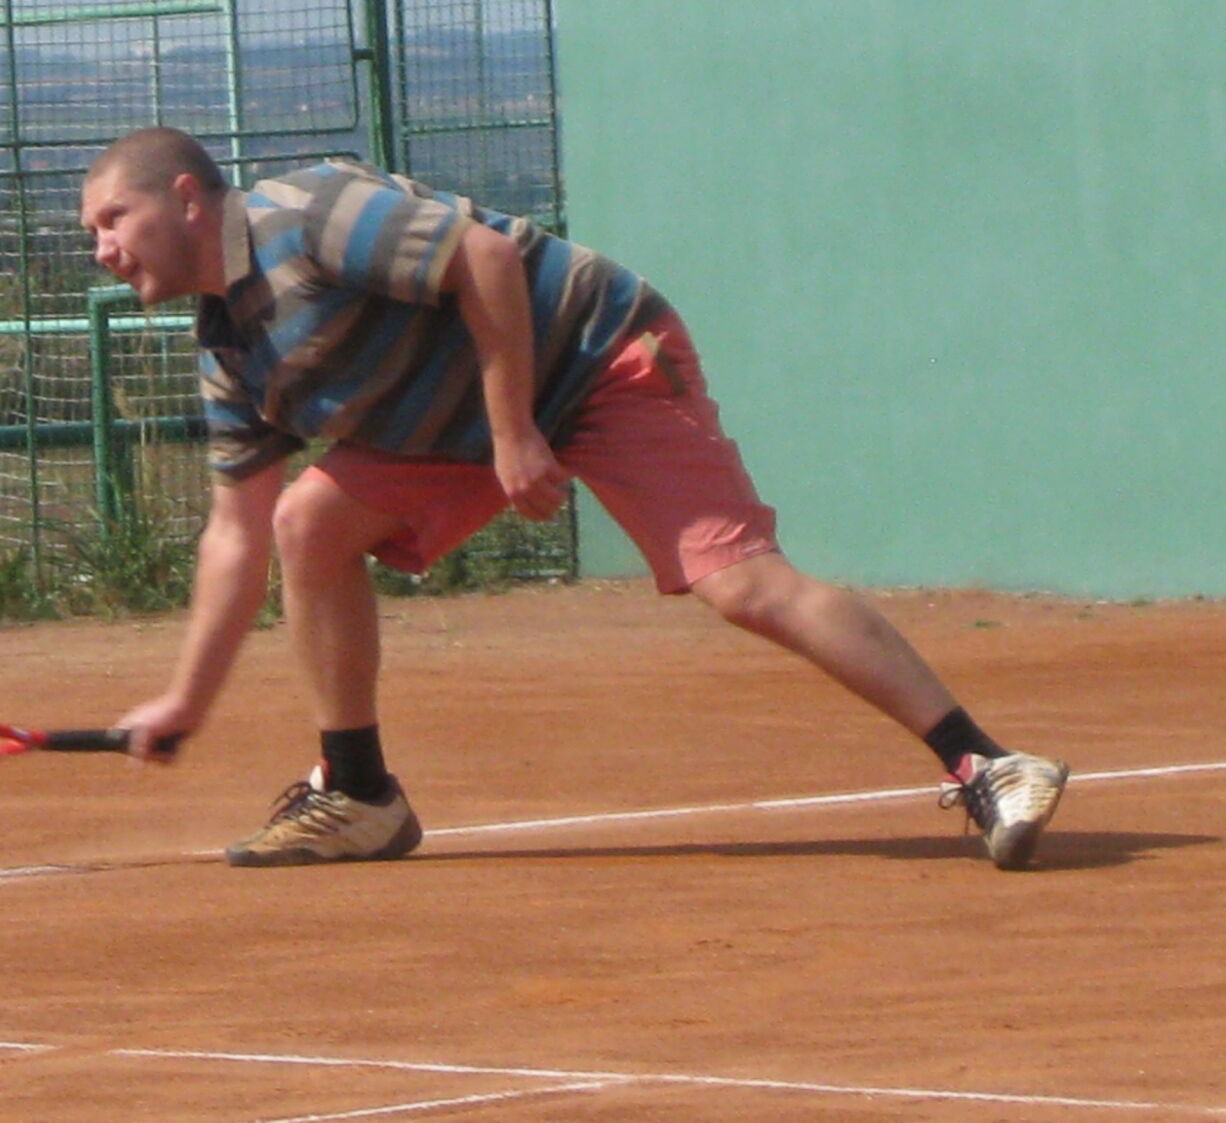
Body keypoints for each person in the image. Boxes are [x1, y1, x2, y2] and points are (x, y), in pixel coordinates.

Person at [79, 127, 1068, 871]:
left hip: (596, 357)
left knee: (741, 585)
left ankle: (985, 764)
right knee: (307, 521)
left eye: (111, 220)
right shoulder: (229, 343)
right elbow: (233, 534)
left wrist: (515, 431)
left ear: (184, 196)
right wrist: (185, 699)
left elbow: (485, 258)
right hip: (464, 421)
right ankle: (362, 793)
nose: (101, 249)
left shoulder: (304, 212)